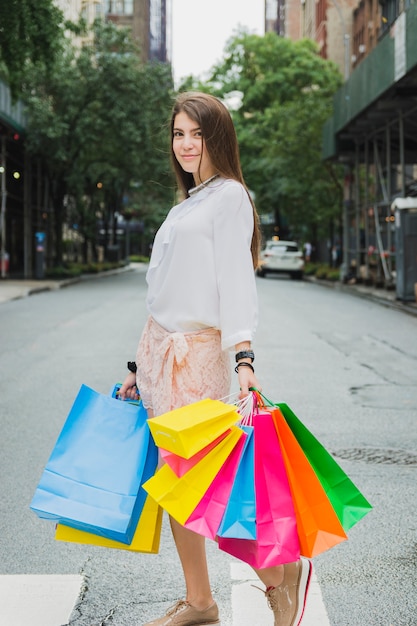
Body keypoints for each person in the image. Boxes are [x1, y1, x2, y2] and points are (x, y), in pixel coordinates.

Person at [119, 91, 311, 626]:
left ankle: (281, 572)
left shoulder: (228, 197)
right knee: (177, 490)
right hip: (161, 358)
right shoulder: (190, 201)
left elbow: (235, 281)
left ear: (217, 139)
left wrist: (244, 357)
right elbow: (165, 291)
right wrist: (138, 366)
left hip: (197, 357)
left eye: (195, 135)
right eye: (178, 134)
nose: (184, 144)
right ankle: (201, 602)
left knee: (207, 487)